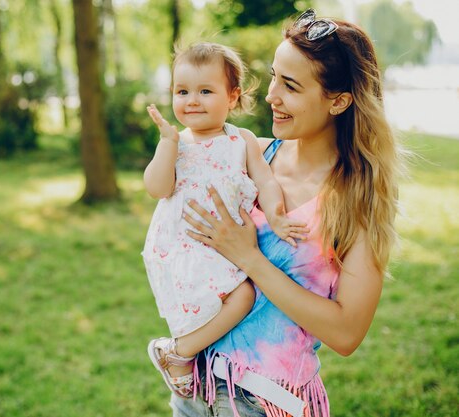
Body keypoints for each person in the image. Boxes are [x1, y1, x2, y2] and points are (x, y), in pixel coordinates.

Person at [173, 9, 404, 417]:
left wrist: (250, 259)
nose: (271, 95)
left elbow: (347, 333)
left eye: (291, 86)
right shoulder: (251, 155)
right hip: (196, 386)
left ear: (338, 101)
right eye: (275, 76)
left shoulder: (356, 202)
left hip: (267, 401)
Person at [142, 42, 308, 399]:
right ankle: (180, 353)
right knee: (242, 296)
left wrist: (276, 216)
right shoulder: (177, 143)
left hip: (223, 248)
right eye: (182, 91)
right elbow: (157, 188)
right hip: (184, 246)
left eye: (205, 91)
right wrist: (167, 144)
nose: (192, 101)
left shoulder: (242, 140)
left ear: (232, 98)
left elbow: (265, 180)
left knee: (235, 299)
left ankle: (181, 353)